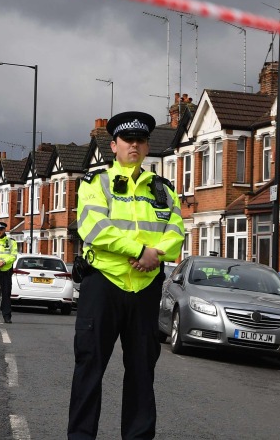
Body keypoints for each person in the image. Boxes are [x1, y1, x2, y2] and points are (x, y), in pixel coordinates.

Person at [67, 111, 183, 440]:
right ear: (114, 145)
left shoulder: (163, 190)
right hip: (103, 284)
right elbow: (94, 228)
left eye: (140, 140)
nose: (134, 145)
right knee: (89, 367)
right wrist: (139, 251)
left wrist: (155, 255)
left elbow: (176, 232)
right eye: (128, 140)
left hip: (145, 288)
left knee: (142, 372)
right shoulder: (95, 183)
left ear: (146, 147)